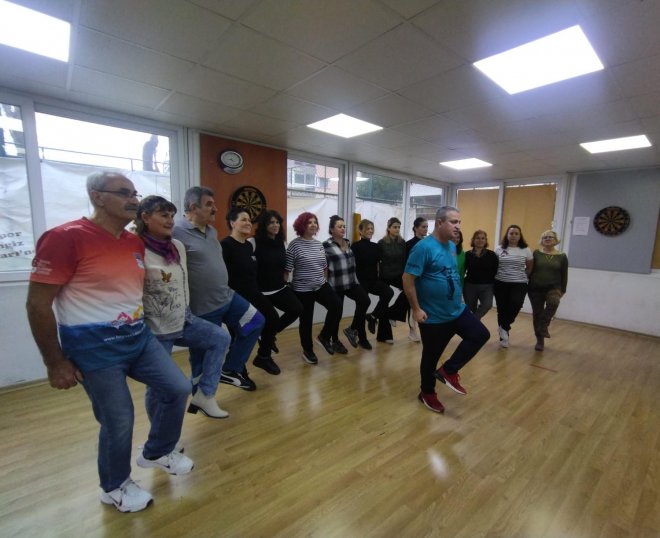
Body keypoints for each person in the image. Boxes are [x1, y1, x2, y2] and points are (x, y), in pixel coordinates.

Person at [26, 171, 193, 513]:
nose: (134, 199)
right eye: (124, 193)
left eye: (134, 193)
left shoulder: (133, 243)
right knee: (119, 420)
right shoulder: (64, 238)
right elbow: (37, 305)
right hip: (93, 349)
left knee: (178, 388)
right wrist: (55, 362)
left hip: (138, 339)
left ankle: (157, 451)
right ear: (97, 196)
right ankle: (114, 486)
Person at [136, 195, 231, 419]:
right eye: (164, 215)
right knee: (158, 385)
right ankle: (158, 433)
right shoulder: (136, 248)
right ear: (145, 217)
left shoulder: (177, 246)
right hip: (156, 329)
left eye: (172, 215)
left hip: (184, 320)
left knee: (220, 338)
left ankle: (205, 395)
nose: (170, 220)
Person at [172, 187, 264, 391]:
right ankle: (201, 399)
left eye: (214, 204)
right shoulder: (176, 232)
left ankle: (230, 369)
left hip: (227, 297)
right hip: (202, 309)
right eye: (209, 204)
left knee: (255, 321)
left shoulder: (211, 230)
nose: (215, 208)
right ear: (193, 207)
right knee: (201, 361)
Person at [403, 206, 490, 414]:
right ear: (440, 222)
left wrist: (459, 297)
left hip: (457, 310)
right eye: (453, 222)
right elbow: (407, 280)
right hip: (433, 316)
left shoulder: (451, 245)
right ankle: (427, 393)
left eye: (459, 222)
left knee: (480, 334)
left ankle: (448, 371)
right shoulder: (423, 248)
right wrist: (416, 309)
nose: (458, 226)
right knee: (431, 357)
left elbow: (451, 274)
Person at [222, 208, 298, 375]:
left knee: (272, 318)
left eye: (249, 220)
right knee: (239, 334)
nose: (248, 223)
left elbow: (251, 273)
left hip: (254, 293)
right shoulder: (227, 245)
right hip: (235, 298)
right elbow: (223, 276)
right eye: (243, 219)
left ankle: (262, 357)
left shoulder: (246, 246)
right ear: (232, 223)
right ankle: (236, 371)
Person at [285, 211, 342, 364]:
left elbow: (324, 266)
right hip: (302, 289)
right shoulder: (294, 245)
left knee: (336, 305)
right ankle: (308, 350)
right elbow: (287, 270)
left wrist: (325, 281)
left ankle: (324, 336)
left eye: (315, 222)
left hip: (320, 285)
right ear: (301, 225)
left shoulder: (318, 244)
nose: (313, 225)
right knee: (306, 321)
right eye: (309, 222)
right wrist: (286, 288)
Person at [251, 209, 304, 360]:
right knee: (271, 319)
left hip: (279, 287)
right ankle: (265, 350)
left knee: (297, 308)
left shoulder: (282, 243)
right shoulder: (253, 242)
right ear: (264, 225)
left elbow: (286, 266)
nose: (275, 225)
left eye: (277, 222)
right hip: (261, 292)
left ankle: (269, 334)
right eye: (271, 223)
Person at [323, 215, 372, 350]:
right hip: (336, 284)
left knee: (365, 301)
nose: (343, 228)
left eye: (344, 226)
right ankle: (335, 340)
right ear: (331, 229)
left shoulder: (348, 243)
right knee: (337, 314)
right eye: (339, 226)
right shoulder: (326, 245)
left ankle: (352, 328)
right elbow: (323, 266)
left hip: (351, 282)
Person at [352, 219, 394, 340]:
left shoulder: (376, 246)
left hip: (373, 281)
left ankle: (373, 317)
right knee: (361, 308)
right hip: (361, 282)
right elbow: (352, 266)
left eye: (371, 228)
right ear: (360, 231)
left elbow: (379, 265)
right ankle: (362, 338)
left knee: (388, 292)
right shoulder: (355, 246)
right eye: (367, 229)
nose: (370, 231)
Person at [528, 230, 568, 351]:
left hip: (554, 287)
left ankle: (544, 325)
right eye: (545, 237)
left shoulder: (562, 256)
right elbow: (530, 270)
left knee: (554, 302)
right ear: (542, 240)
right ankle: (540, 340)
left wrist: (563, 290)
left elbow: (564, 274)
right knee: (537, 314)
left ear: (555, 240)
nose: (547, 239)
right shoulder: (536, 253)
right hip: (535, 288)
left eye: (550, 237)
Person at [493, 225, 533, 348]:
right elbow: (494, 266)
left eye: (516, 233)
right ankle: (503, 337)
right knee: (502, 309)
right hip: (500, 282)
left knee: (516, 304)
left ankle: (504, 327)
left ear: (520, 236)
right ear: (507, 235)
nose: (513, 235)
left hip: (519, 283)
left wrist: (522, 276)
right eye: (511, 233)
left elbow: (529, 267)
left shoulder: (526, 250)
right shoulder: (499, 249)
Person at [377, 217, 408, 343]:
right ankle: (384, 336)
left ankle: (393, 314)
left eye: (399, 227)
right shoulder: (381, 243)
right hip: (384, 276)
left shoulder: (402, 243)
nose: (397, 229)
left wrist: (405, 275)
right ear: (389, 228)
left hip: (398, 275)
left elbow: (404, 260)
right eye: (395, 227)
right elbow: (378, 261)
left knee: (410, 290)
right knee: (384, 302)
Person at [463, 230, 498, 320]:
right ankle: (473, 325)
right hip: (470, 286)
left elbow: (496, 270)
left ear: (486, 240)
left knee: (487, 305)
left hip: (487, 286)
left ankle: (473, 321)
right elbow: (463, 270)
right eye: (477, 238)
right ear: (473, 240)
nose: (480, 240)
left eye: (483, 238)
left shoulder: (492, 255)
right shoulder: (467, 255)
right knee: (470, 309)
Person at [405, 217, 428, 342]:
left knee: (422, 304)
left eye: (426, 227)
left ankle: (423, 330)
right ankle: (412, 331)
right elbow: (406, 263)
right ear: (415, 228)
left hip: (425, 278)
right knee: (413, 305)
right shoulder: (409, 244)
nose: (426, 229)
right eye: (423, 227)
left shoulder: (427, 243)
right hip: (413, 278)